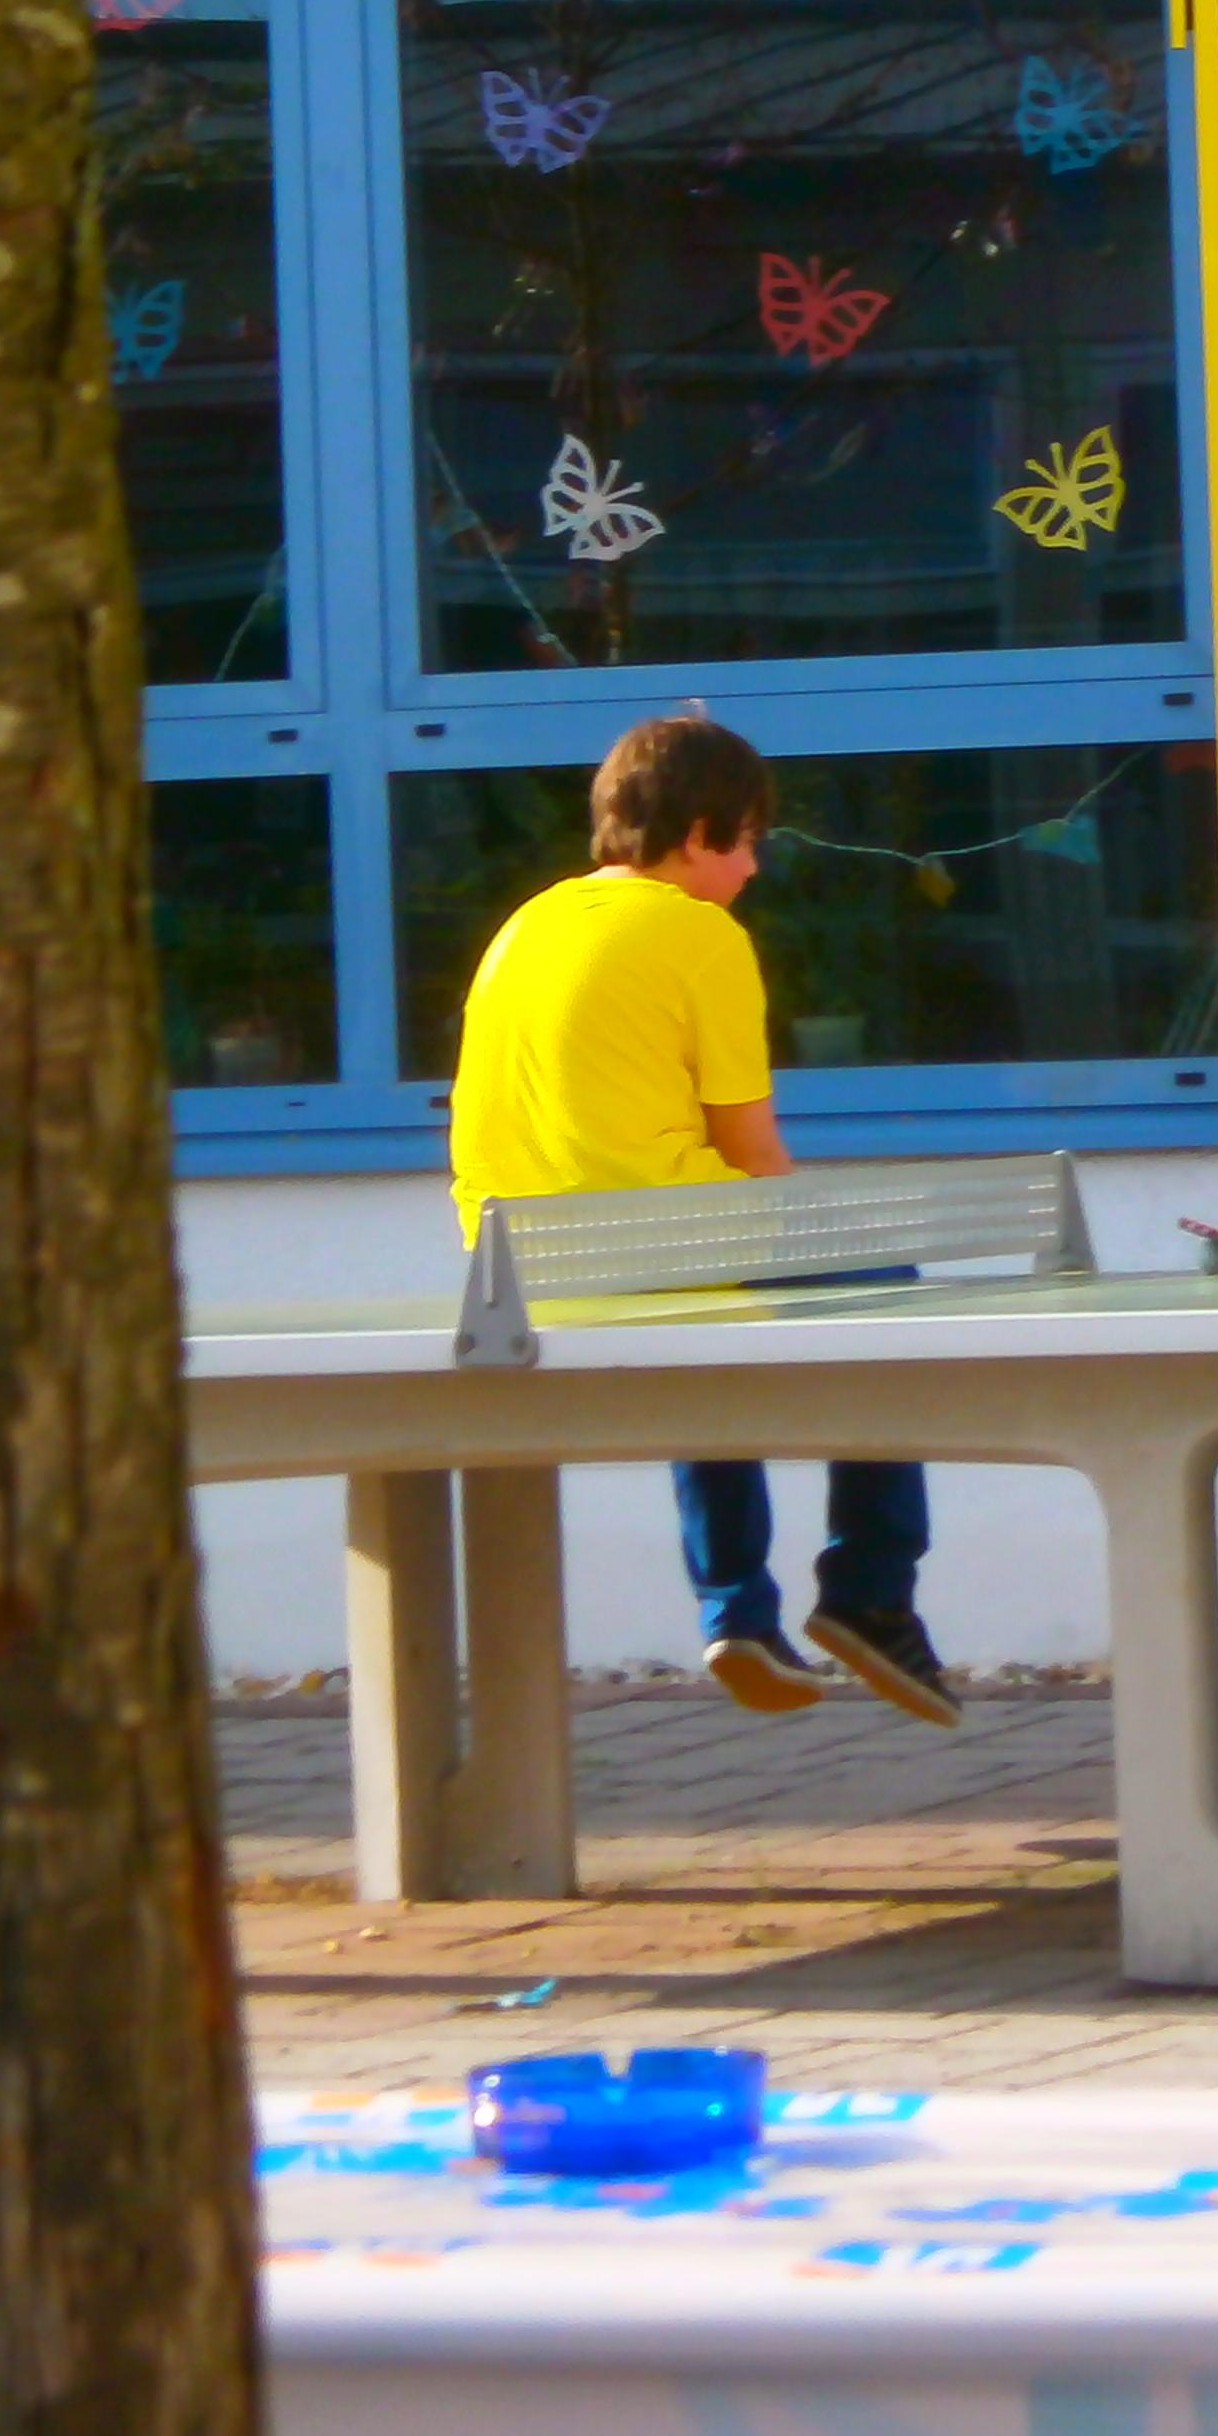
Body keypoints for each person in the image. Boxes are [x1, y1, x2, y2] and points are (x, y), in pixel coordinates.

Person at [449, 716, 957, 1728]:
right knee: (887, 1296)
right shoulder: (700, 935)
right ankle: (871, 1589)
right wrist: (826, 1234)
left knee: (705, 1334)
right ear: (696, 832)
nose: (754, 868)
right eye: (748, 840)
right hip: (670, 1233)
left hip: (517, 1263)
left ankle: (736, 1609)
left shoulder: (526, 925)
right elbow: (753, 1153)